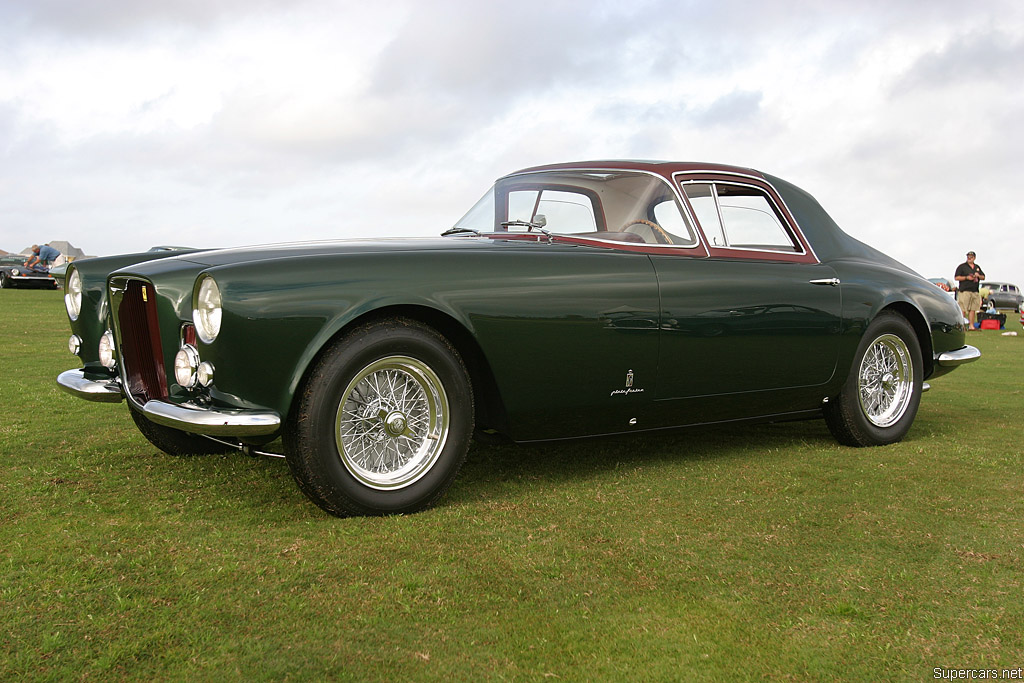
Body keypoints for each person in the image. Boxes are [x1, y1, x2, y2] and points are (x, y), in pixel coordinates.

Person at [954, 250, 986, 329]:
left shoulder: (977, 267)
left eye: (971, 257)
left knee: (973, 309)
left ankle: (971, 326)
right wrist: (966, 278)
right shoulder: (962, 267)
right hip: (965, 291)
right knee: (963, 309)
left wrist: (978, 276)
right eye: (968, 256)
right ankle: (962, 326)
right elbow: (956, 277)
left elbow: (983, 277)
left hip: (975, 291)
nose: (969, 258)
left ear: (974, 258)